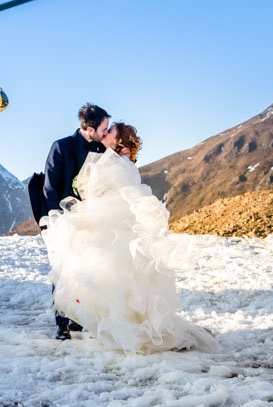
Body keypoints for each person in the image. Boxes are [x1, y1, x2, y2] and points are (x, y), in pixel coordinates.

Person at [42, 121, 220, 354]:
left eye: (110, 131)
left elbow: (114, 197)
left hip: (113, 228)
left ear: (120, 143)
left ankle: (122, 329)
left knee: (114, 279)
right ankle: (92, 323)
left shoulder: (118, 165)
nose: (104, 133)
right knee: (106, 278)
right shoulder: (107, 159)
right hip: (106, 228)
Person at [40, 104, 111, 340]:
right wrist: (55, 220)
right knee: (62, 270)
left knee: (85, 269)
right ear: (89, 128)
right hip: (62, 220)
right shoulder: (61, 146)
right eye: (103, 128)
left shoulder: (101, 148)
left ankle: (79, 317)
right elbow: (50, 187)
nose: (106, 131)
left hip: (90, 220)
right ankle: (62, 323)